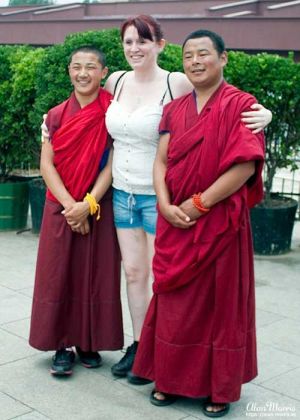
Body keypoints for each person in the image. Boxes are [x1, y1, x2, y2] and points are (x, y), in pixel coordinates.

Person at [103, 15, 271, 383]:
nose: (134, 48)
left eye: (143, 41)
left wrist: (266, 114)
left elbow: (216, 108)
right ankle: (139, 347)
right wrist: (49, 129)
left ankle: (158, 351)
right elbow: (86, 101)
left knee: (161, 280)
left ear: (160, 45)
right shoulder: (114, 81)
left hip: (170, 200)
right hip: (125, 193)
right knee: (133, 273)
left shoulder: (175, 81)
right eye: (128, 42)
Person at [29, 46, 123, 376]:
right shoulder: (55, 115)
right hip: (61, 206)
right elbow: (46, 163)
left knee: (95, 273)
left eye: (91, 67)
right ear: (69, 71)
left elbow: (113, 162)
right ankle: (61, 344)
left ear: (103, 72)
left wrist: (89, 204)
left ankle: (88, 341)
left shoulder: (113, 112)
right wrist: (71, 206)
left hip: (97, 204)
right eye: (76, 67)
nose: (83, 73)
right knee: (58, 274)